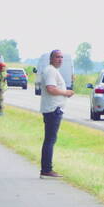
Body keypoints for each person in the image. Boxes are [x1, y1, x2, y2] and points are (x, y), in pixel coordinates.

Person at [39, 49, 73, 178]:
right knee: (50, 140)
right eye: (57, 57)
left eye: (61, 57)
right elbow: (51, 88)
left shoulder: (53, 71)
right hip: (53, 110)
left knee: (50, 139)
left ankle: (46, 168)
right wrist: (66, 93)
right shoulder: (50, 71)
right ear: (51, 58)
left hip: (54, 109)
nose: (60, 59)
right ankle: (47, 169)